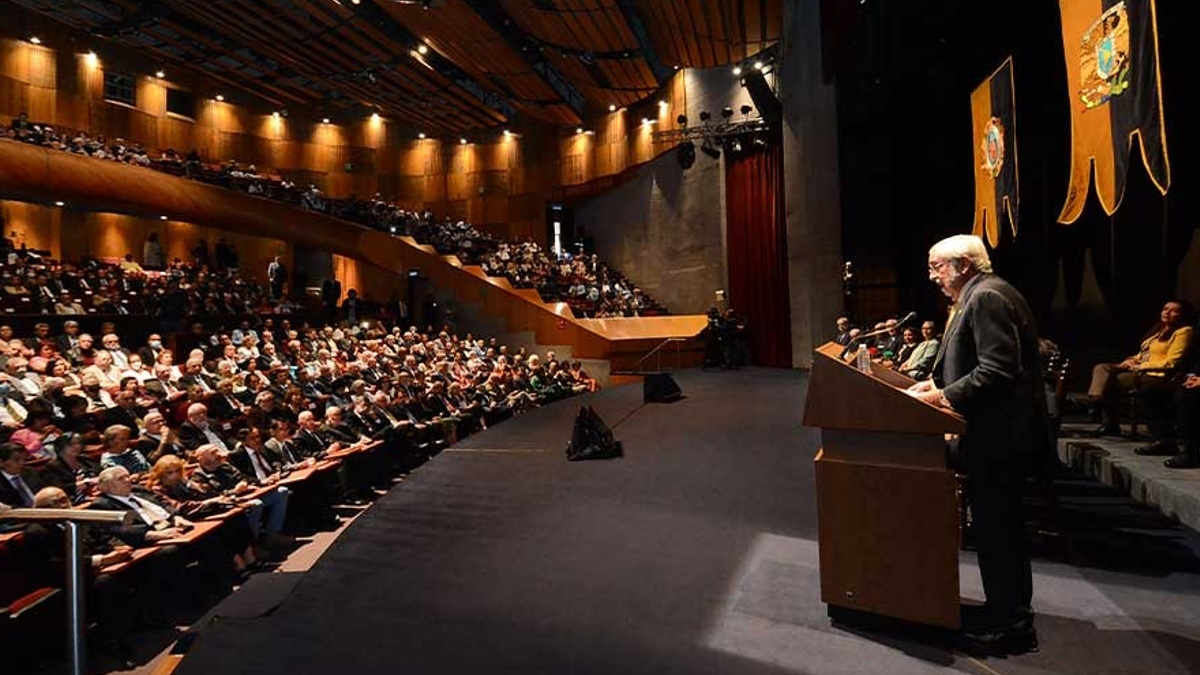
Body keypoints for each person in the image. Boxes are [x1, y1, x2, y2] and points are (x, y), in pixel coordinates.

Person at [906, 234, 1048, 654]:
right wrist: (934, 383)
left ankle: (1013, 628)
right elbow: (975, 362)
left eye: (936, 268)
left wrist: (942, 397)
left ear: (962, 265)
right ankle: (1001, 610)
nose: (932, 277)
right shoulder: (980, 295)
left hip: (1000, 439)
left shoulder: (986, 298)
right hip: (994, 436)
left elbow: (997, 370)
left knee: (999, 531)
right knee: (993, 531)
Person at [1085, 300, 1195, 436]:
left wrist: (1140, 366)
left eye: (1174, 310)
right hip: (1141, 366)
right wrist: (1131, 361)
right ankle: (1095, 400)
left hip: (1156, 373)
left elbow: (1171, 362)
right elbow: (1145, 353)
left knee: (1111, 380)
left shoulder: (1184, 331)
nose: (1167, 312)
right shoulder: (1158, 330)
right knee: (1102, 368)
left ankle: (1107, 419)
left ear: (1183, 315)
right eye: (1165, 308)